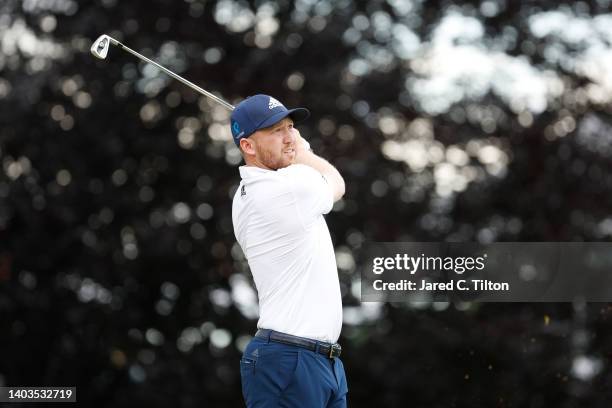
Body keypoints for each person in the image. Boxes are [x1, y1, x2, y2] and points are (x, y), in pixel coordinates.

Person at [230, 94, 348, 407]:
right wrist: (305, 153)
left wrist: (292, 149)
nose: (289, 137)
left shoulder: (250, 192)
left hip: (319, 361)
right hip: (289, 361)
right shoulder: (288, 188)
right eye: (276, 131)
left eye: (290, 127)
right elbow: (337, 183)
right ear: (248, 147)